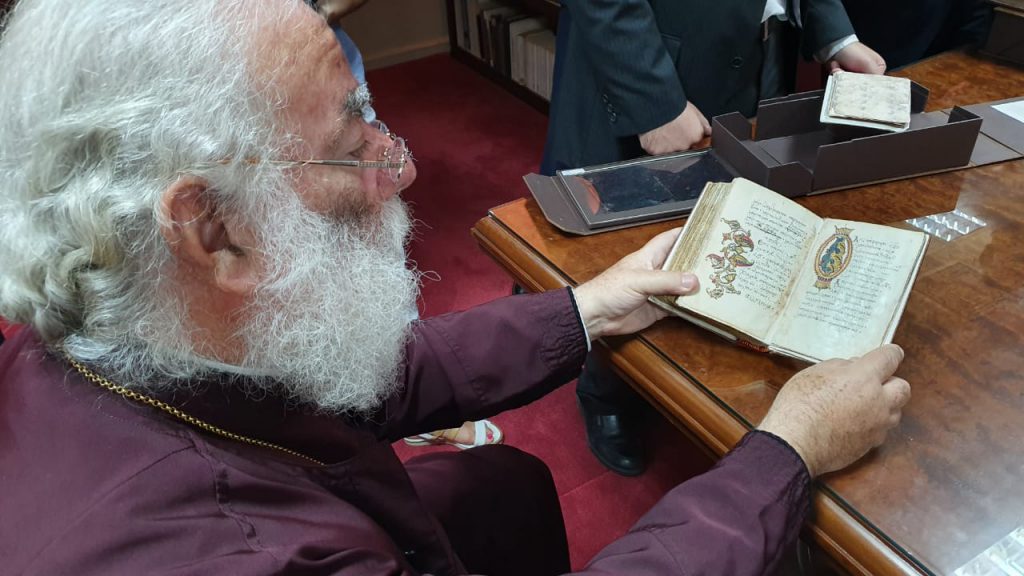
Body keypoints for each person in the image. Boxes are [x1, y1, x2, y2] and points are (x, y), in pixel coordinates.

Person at [0, 1, 910, 574]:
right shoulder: (230, 556)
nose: (398, 169)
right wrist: (784, 454)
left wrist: (588, 309)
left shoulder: (127, 318)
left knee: (502, 485)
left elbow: (355, 380)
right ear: (212, 228)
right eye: (353, 142)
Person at [540, 0, 888, 476]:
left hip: (764, 50)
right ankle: (605, 389)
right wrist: (654, 102)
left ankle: (697, 371)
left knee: (736, 219)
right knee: (636, 243)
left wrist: (835, 35)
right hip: (649, 62)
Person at [315, 0, 502, 451]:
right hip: (256, 103)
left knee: (375, 244)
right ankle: (392, 403)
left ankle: (408, 395)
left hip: (331, 78)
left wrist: (312, 13)